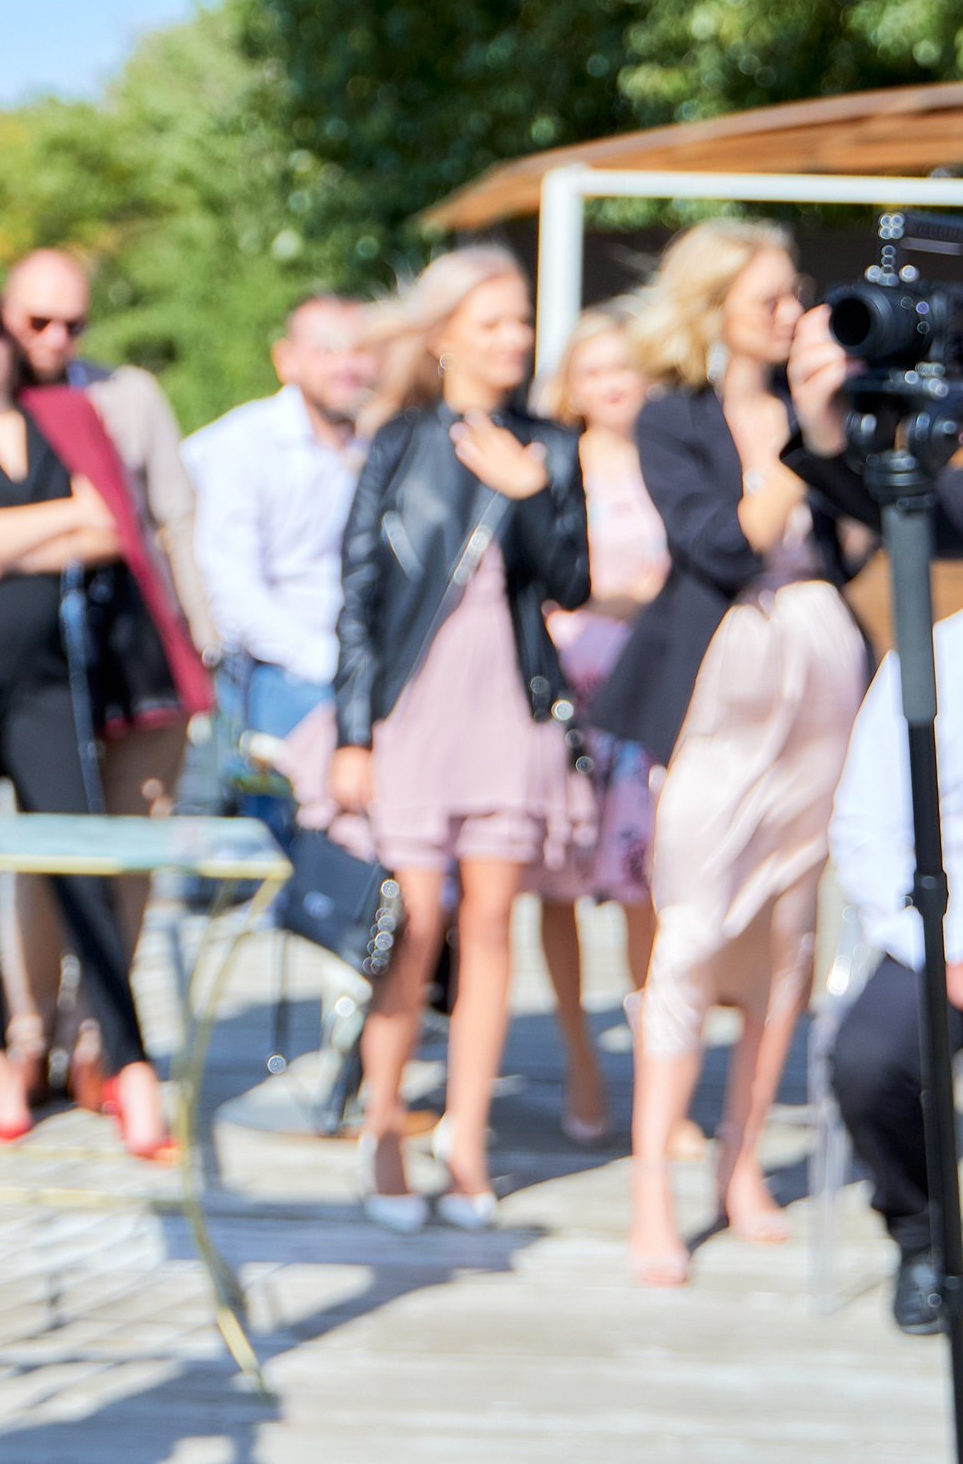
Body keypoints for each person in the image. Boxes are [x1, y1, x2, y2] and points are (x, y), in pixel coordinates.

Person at [0, 280, 212, 1160]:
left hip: (53, 681)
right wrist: (32, 533)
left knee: (79, 859)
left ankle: (130, 1065)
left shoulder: (64, 415)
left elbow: (110, 525)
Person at [593, 219, 868, 1288]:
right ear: (713, 311)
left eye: (793, 294)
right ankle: (652, 1188)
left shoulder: (828, 418)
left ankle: (742, 1165)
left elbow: (850, 539)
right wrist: (799, 437)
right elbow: (722, 543)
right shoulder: (672, 421)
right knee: (691, 930)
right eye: (766, 300)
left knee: (787, 939)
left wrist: (828, 432)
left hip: (818, 699)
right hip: (717, 705)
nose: (789, 312)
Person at [316, 247, 590, 1233]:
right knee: (415, 923)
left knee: (488, 926)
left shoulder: (553, 444)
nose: (513, 339)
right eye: (491, 323)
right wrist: (353, 732)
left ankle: (464, 1135)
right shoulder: (396, 442)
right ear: (442, 338)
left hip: (507, 707)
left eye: (520, 322)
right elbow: (355, 597)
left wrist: (534, 492)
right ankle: (383, 1119)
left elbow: (572, 585)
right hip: (416, 703)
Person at [829, 565, 963, 1333]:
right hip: (951, 934)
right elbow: (867, 829)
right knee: (868, 1062)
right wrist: (949, 955)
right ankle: (923, 1238)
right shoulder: (934, 656)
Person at [534, 306, 670, 1146]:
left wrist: (615, 599)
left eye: (626, 366)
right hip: (561, 700)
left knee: (644, 888)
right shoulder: (552, 465)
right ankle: (580, 1059)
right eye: (595, 369)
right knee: (556, 884)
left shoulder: (673, 461)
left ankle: (662, 1081)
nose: (613, 383)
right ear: (572, 386)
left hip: (647, 696)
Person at [185, 293, 374, 742]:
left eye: (361, 350)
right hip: (273, 666)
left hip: (365, 657)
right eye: (327, 350)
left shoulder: (386, 442)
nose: (346, 366)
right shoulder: (243, 443)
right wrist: (330, 661)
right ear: (286, 361)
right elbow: (233, 594)